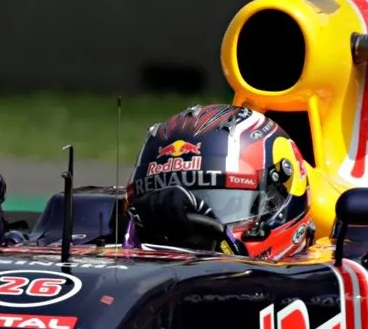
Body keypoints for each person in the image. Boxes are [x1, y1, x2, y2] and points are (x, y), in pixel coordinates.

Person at [125, 104, 315, 259]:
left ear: (277, 199)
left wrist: (216, 236)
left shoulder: (326, 279)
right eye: (164, 212)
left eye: (220, 203)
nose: (182, 233)